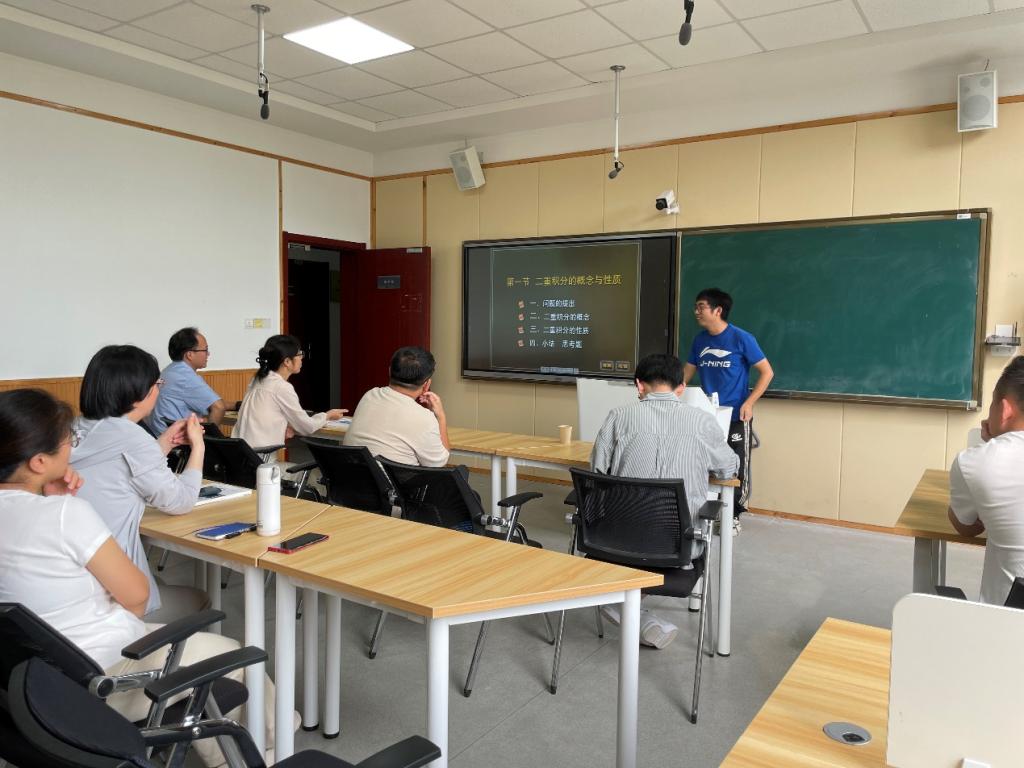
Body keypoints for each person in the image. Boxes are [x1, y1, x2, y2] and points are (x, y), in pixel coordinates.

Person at [0, 388, 285, 767]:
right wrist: (61, 502)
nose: (72, 448)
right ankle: (271, 746)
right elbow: (136, 597)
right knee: (239, 656)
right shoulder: (64, 514)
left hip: (26, 686)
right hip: (102, 679)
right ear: (38, 462)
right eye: (69, 441)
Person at [592, 353, 739, 649]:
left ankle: (626, 607)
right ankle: (632, 611)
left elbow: (598, 470)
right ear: (681, 387)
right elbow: (728, 470)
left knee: (636, 519)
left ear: (639, 385)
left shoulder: (618, 416)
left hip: (616, 542)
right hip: (679, 548)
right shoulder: (702, 421)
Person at [71, 345, 208, 622]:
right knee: (200, 598)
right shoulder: (133, 438)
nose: (158, 390)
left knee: (159, 580)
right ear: (140, 393)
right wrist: (198, 448)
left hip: (73, 577)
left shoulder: (72, 428)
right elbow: (180, 502)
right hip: (110, 593)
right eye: (157, 384)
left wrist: (163, 443)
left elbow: (115, 471)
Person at [683, 288, 773, 514]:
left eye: (701, 307)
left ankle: (734, 514)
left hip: (735, 415)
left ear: (718, 310)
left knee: (736, 464)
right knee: (705, 463)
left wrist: (749, 402)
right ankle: (708, 511)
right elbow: (686, 375)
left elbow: (767, 372)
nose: (696, 311)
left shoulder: (741, 338)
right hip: (706, 416)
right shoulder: (700, 341)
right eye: (696, 307)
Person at [948, 356, 1024, 605]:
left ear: (1005, 410)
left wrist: (994, 444)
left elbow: (967, 527)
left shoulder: (973, 462)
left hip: (1007, 619)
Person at [233, 334, 346, 449]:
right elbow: (306, 427)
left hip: (240, 452)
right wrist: (327, 415)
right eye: (299, 354)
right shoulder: (281, 387)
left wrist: (284, 425)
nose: (301, 358)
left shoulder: (258, 379)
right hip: (260, 456)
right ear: (287, 361)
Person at [344, 346, 450, 467]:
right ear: (426, 384)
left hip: (349, 476)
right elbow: (439, 463)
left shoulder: (369, 395)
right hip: (390, 480)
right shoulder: (424, 418)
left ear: (389, 371)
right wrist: (440, 416)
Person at [147, 327, 226, 434]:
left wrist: (236, 405)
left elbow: (208, 401)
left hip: (158, 435)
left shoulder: (168, 371)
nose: (208, 354)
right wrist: (209, 439)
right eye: (205, 350)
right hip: (176, 440)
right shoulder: (186, 377)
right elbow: (218, 407)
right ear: (190, 355)